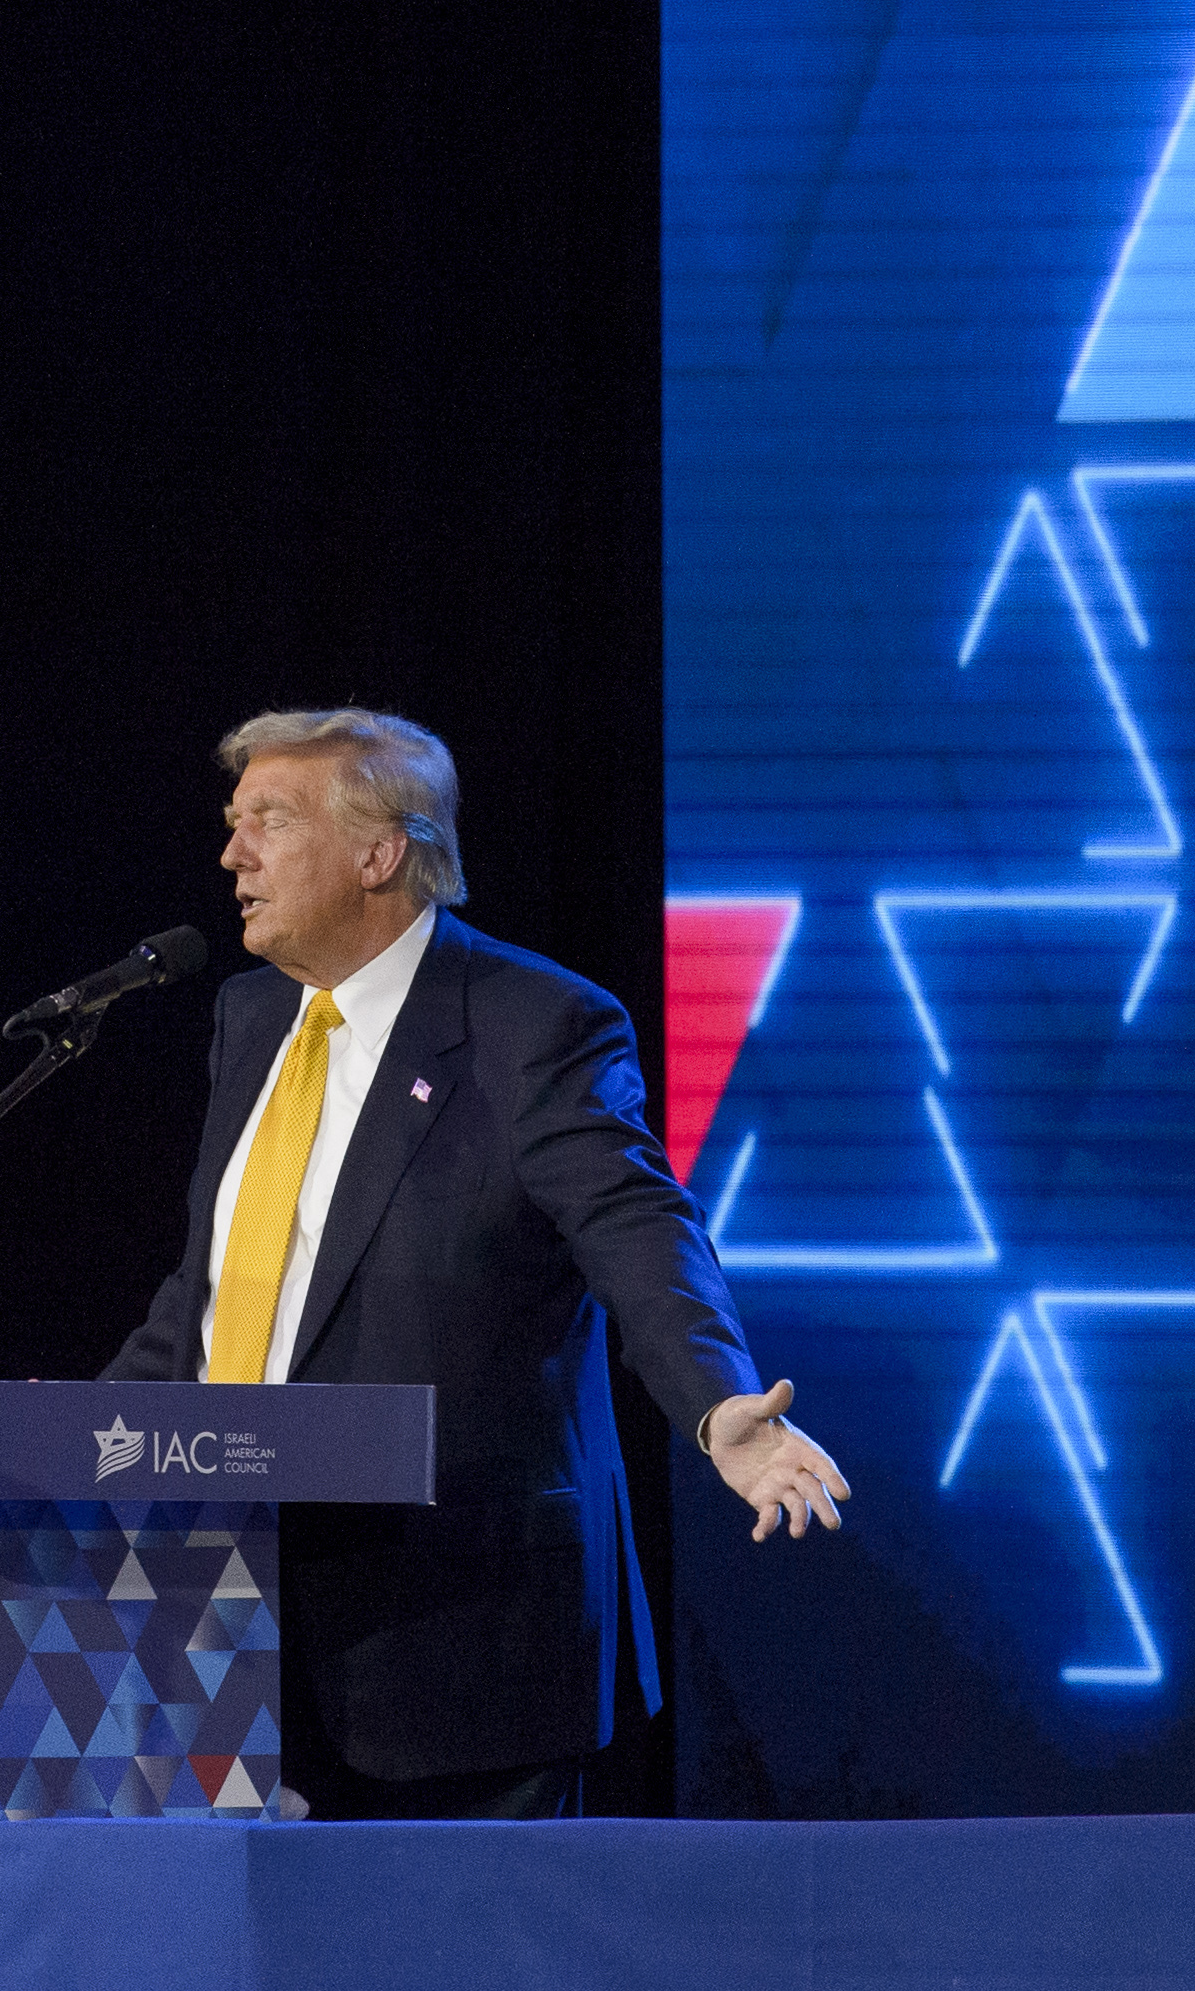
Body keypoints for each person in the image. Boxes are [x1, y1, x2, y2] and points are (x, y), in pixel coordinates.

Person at [104, 706, 845, 1818]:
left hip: (460, 1625)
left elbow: (638, 1229)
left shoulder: (532, 1022)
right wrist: (68, 1446)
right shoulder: (250, 1018)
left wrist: (716, 1404)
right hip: (232, 1630)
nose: (231, 854)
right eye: (232, 821)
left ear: (378, 852)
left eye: (267, 821)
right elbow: (222, 1288)